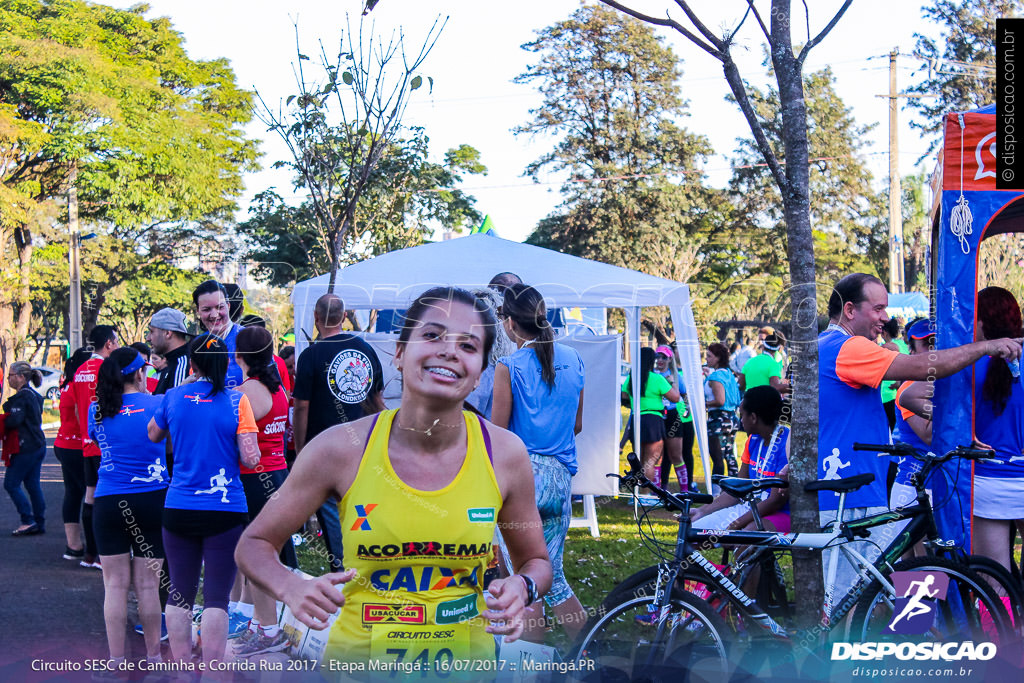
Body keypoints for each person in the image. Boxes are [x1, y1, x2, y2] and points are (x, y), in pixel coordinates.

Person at [236, 286, 552, 671]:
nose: (449, 351)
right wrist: (292, 587)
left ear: (480, 374)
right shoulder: (341, 448)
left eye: (468, 346)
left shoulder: (504, 453)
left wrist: (522, 586)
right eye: (432, 335)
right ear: (400, 353)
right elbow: (253, 544)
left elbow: (536, 560)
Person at [817, 273, 1021, 607]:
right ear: (850, 309)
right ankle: (856, 653)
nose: (887, 317)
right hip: (847, 490)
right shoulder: (847, 346)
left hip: (852, 485)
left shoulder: (829, 345)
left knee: (889, 574)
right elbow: (920, 369)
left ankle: (925, 633)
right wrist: (985, 347)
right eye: (879, 308)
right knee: (850, 600)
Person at [147, 333, 261, 673]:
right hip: (225, 510)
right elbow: (251, 458)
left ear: (192, 363)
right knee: (216, 598)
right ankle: (213, 671)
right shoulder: (236, 401)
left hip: (179, 505)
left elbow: (153, 434)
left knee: (179, 593)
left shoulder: (172, 397)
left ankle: (182, 670)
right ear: (224, 362)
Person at [492, 283, 587, 640]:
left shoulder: (509, 365)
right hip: (560, 478)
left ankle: (529, 666)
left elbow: (498, 434)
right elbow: (577, 424)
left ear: (511, 324)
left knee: (522, 575)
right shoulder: (574, 359)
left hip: (521, 479)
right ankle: (591, 654)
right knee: (554, 575)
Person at [292, 293, 384, 574]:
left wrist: (300, 449)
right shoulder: (365, 349)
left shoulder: (310, 355)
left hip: (324, 448)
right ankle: (366, 563)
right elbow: (377, 400)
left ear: (317, 319)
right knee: (361, 507)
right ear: (344, 317)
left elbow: (301, 408)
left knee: (332, 512)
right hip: (363, 444)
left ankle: (343, 569)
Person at [89, 348, 168, 672]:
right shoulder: (160, 404)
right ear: (139, 374)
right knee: (148, 586)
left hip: (109, 502)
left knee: (115, 586)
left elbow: (100, 443)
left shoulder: (97, 409)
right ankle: (154, 659)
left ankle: (117, 663)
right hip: (152, 500)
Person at [230, 326, 294, 656]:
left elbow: (239, 443)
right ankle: (260, 625)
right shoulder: (277, 387)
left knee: (255, 556)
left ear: (237, 355)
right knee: (259, 553)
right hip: (275, 474)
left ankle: (269, 631)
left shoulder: (247, 392)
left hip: (255, 479)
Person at [971, 287, 1024, 572]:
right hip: (1011, 474)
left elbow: (908, 395)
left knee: (994, 580)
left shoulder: (965, 363)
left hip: (987, 480)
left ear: (981, 321)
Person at [690, 386, 790, 532]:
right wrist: (703, 511)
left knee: (744, 537)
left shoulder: (785, 442)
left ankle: (758, 553)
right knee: (692, 530)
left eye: (742, 415)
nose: (740, 420)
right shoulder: (753, 440)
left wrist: (736, 524)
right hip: (752, 506)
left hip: (780, 512)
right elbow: (737, 491)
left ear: (754, 418)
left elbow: (775, 501)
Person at [72, 324, 120, 568]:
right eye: (117, 341)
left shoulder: (80, 370)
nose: (119, 345)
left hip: (88, 442)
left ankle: (90, 554)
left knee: (90, 496)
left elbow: (79, 408)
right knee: (107, 497)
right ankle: (104, 554)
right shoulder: (108, 368)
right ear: (109, 343)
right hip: (107, 444)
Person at [622, 347, 681, 486]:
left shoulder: (631, 378)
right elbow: (675, 397)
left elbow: (624, 396)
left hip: (637, 419)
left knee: (639, 460)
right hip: (653, 421)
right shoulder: (657, 379)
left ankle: (637, 494)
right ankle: (646, 494)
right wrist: (672, 382)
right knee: (650, 461)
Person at [54, 347, 92, 560]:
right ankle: (94, 548)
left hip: (64, 444)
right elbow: (82, 416)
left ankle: (74, 546)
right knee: (90, 492)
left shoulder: (68, 384)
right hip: (78, 447)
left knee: (73, 492)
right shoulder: (80, 386)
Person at [3, 362, 46, 536]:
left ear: (21, 377)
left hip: (26, 447)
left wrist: (4, 418)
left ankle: (27, 520)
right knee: (32, 484)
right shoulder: (34, 395)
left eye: (11, 375)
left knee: (11, 484)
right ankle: (38, 521)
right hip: (38, 445)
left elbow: (14, 420)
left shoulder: (22, 397)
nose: (9, 379)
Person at [193, 280, 245, 389]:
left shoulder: (249, 339)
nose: (214, 315)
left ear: (228, 306)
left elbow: (274, 389)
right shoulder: (198, 344)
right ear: (198, 310)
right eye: (207, 309)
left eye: (219, 307)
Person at [655, 345, 690, 492]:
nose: (660, 360)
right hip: (657, 415)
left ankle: (685, 490)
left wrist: (686, 409)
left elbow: (684, 395)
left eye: (664, 357)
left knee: (676, 455)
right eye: (657, 357)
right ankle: (656, 490)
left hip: (672, 416)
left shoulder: (675, 376)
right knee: (656, 457)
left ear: (670, 359)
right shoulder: (652, 375)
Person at [704, 342, 741, 479]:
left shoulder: (715, 377)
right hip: (731, 418)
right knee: (730, 456)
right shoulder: (729, 374)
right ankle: (735, 489)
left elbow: (720, 400)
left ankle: (716, 492)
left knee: (717, 458)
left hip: (718, 420)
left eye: (709, 356)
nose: (706, 359)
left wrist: (704, 404)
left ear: (718, 358)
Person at [147, 307, 191, 395]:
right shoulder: (172, 363)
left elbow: (175, 406)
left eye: (152, 332)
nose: (148, 338)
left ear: (168, 333)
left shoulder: (182, 364)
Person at [879, 318, 909, 432]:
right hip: (902, 393)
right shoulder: (904, 345)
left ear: (884, 332)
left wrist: (897, 380)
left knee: (889, 428)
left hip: (887, 394)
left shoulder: (888, 347)